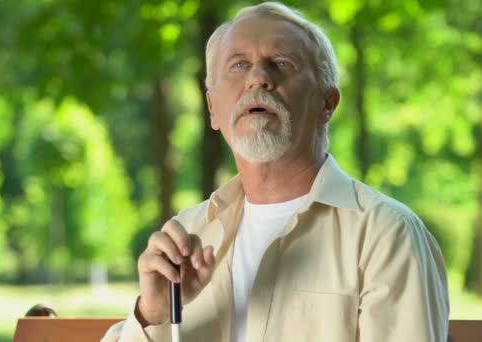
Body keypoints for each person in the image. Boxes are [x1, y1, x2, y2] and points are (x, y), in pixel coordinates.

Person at [102, 1, 449, 341]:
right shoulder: (187, 236)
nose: (258, 79)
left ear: (327, 103)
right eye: (238, 65)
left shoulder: (385, 235)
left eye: (282, 63)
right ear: (212, 108)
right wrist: (154, 314)